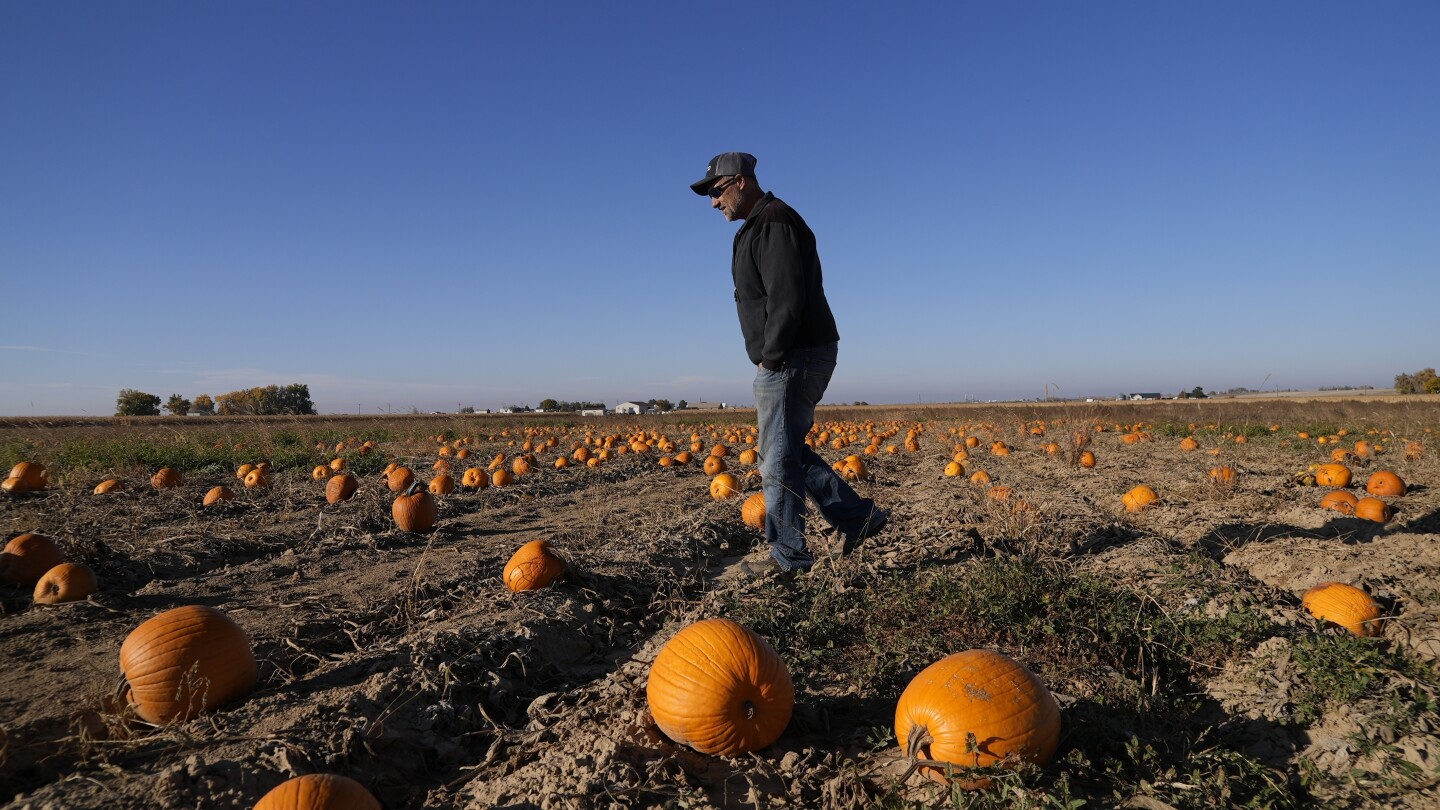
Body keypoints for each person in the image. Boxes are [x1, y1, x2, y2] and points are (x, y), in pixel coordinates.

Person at [690, 152, 888, 575]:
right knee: (786, 450)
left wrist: (771, 356)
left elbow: (787, 295)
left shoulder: (774, 221)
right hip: (795, 352)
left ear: (741, 181)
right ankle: (858, 518)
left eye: (716, 190)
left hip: (794, 354)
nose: (712, 202)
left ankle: (789, 559)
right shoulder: (759, 225)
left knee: (776, 458)